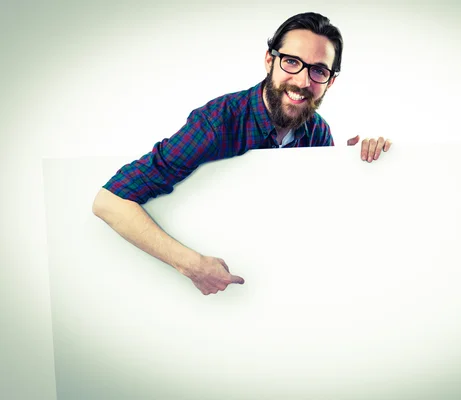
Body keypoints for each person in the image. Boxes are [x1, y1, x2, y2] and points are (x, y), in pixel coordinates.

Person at [92, 12, 392, 295]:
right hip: (197, 299)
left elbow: (312, 219)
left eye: (318, 71)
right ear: (269, 61)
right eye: (291, 62)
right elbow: (109, 201)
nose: (303, 81)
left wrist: (351, 169)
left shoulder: (318, 132)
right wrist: (192, 266)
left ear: (330, 81)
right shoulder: (217, 123)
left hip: (273, 288)